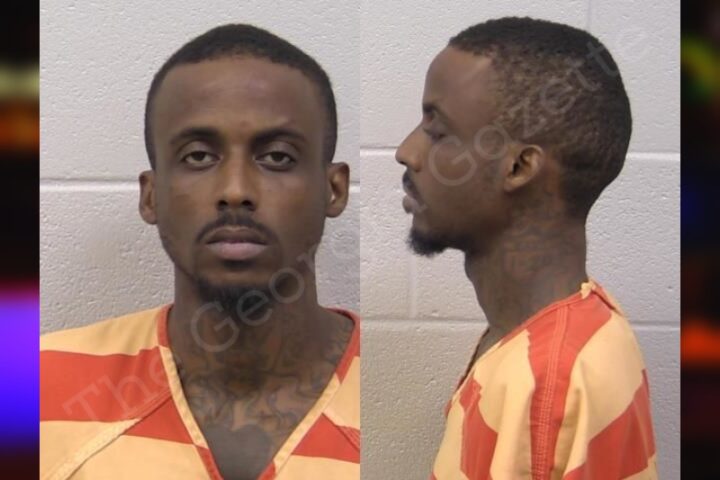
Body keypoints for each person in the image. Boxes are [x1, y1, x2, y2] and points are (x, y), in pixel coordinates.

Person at [40, 24, 359, 480]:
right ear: (151, 196)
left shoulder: (382, 389)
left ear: (334, 189)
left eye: (277, 157)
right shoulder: (32, 386)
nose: (235, 191)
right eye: (198, 156)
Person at [395, 17, 656, 479]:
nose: (407, 152)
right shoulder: (564, 333)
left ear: (518, 167)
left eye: (438, 132)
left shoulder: (550, 387)